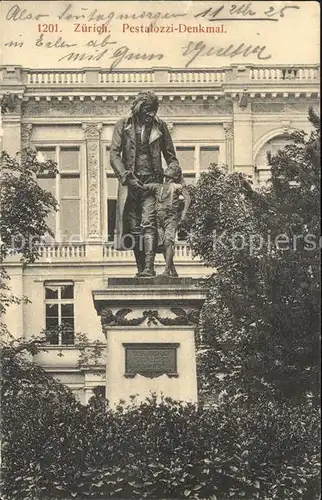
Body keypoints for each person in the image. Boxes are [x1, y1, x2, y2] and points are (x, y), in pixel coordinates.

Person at [110, 91, 180, 277]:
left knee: (149, 223)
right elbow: (114, 156)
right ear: (139, 108)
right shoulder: (123, 125)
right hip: (130, 184)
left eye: (154, 111)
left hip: (152, 184)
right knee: (133, 228)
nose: (151, 115)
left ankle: (149, 267)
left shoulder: (161, 127)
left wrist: (170, 173)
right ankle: (141, 269)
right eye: (148, 110)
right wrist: (126, 176)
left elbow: (173, 159)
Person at [143, 163, 191, 277]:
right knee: (164, 245)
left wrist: (183, 214)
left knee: (168, 242)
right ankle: (173, 271)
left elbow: (188, 199)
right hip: (159, 219)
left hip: (171, 218)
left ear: (175, 175)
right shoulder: (158, 186)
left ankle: (166, 271)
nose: (168, 171)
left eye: (172, 169)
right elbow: (143, 186)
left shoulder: (177, 186)